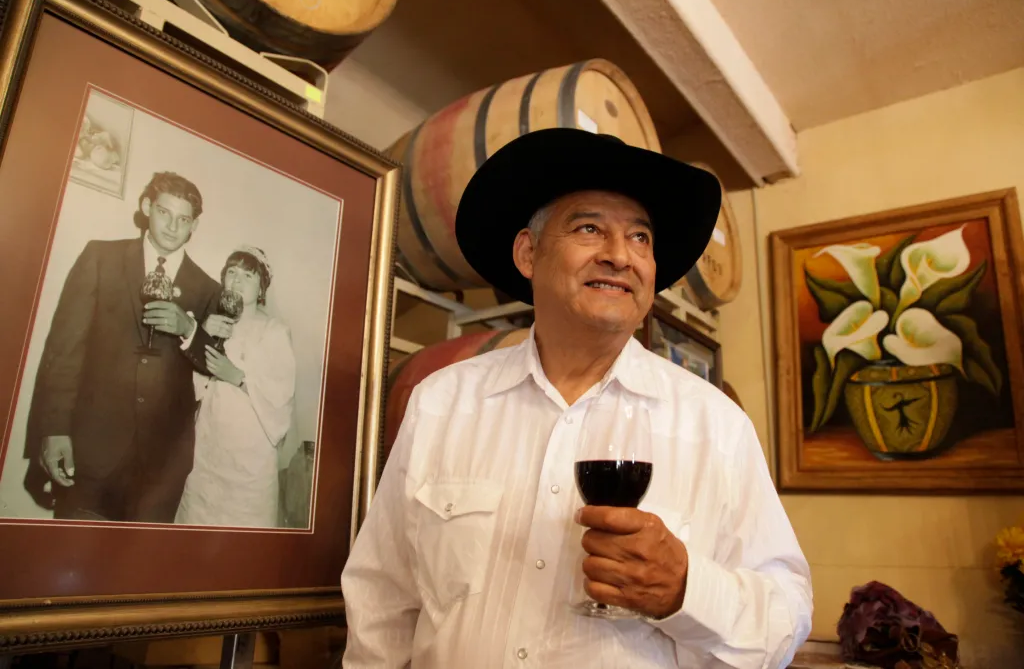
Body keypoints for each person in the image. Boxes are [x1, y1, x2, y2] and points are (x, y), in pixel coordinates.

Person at [341, 129, 813, 668]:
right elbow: (382, 597)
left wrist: (686, 590)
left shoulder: (716, 427)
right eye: (590, 228)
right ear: (528, 252)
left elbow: (788, 617)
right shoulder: (442, 403)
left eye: (641, 238)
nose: (620, 256)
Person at [24, 171, 220, 523]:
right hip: (89, 450)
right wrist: (53, 430)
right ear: (147, 207)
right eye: (164, 213)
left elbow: (214, 363)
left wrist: (189, 329)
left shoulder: (207, 288)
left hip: (162, 466)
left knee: (136, 573)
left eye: (184, 219)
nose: (173, 226)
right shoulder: (100, 258)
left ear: (195, 226)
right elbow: (63, 350)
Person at [174, 246, 296, 528]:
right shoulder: (215, 321)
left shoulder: (274, 331)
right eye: (232, 273)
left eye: (248, 276)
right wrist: (203, 333)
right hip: (209, 445)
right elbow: (190, 385)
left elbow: (281, 396)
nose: (237, 281)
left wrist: (238, 377)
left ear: (262, 287)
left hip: (248, 453)